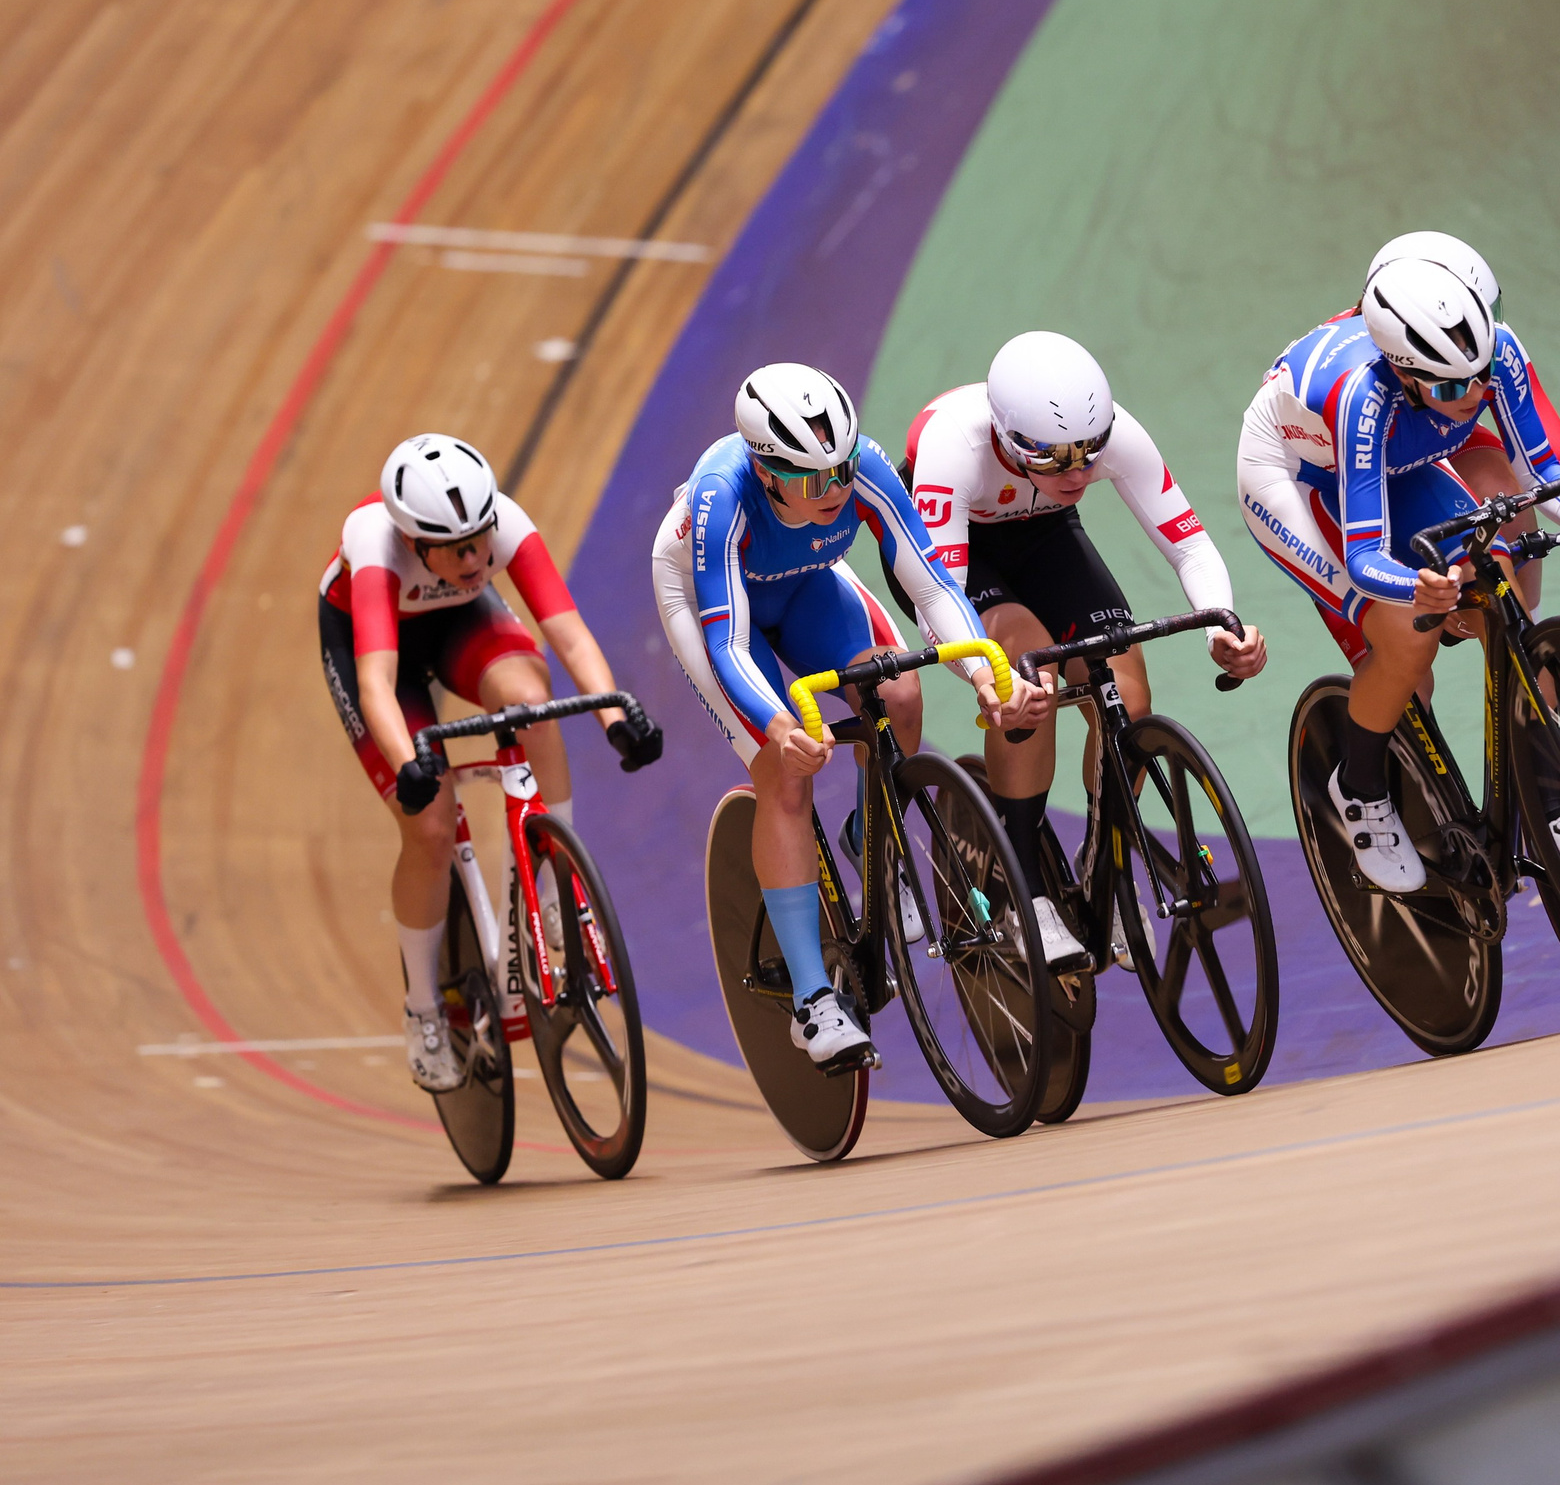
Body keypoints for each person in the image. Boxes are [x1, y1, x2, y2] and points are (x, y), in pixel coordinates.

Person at [1238, 237, 1560, 893]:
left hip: (1404, 458)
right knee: (1406, 649)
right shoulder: (1364, 396)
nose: (1471, 393)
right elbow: (1364, 554)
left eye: (1478, 374)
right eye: (1448, 385)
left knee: (1502, 603)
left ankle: (1555, 809)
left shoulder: (1493, 351)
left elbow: (1543, 465)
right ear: (1405, 373)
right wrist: (1416, 587)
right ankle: (1360, 789)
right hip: (1298, 478)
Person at [651, 362, 1040, 1069]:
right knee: (785, 772)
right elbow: (728, 641)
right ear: (766, 472)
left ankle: (871, 837)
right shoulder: (721, 496)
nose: (832, 491)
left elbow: (932, 582)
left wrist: (988, 676)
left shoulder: (862, 467)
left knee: (899, 695)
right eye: (810, 482)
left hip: (806, 583)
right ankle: (813, 1001)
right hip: (713, 605)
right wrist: (781, 729)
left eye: (839, 471)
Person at [899, 331, 1266, 967]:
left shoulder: (1110, 435)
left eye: (1090, 455)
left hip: (1044, 534)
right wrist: (989, 678)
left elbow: (1189, 545)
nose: (1078, 474)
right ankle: (1025, 891)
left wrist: (1221, 629)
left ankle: (1107, 861)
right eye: (1054, 460)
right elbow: (939, 600)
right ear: (1008, 438)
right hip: (953, 558)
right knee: (1028, 667)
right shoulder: (952, 446)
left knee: (1125, 685)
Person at [320, 433, 661, 1093]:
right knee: (429, 827)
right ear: (414, 540)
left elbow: (569, 634)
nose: (477, 557)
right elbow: (376, 682)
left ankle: (556, 886)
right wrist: (409, 764)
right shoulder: (374, 542)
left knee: (533, 703)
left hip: (460, 620)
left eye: (481, 539)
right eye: (457, 548)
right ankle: (423, 1007)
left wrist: (615, 720)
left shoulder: (502, 523)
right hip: (374, 646)